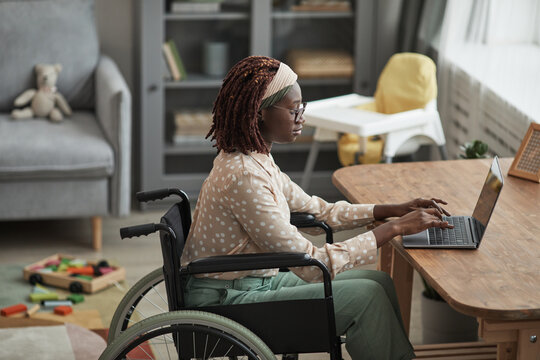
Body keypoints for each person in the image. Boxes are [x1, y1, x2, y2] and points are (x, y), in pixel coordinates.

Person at [180, 55, 454, 360]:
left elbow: (319, 211)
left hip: (251, 284)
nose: (302, 117)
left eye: (303, 108)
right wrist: (394, 229)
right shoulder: (245, 176)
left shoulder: (256, 159)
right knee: (366, 297)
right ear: (260, 113)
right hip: (228, 300)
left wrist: (391, 209)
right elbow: (311, 265)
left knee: (379, 281)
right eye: (295, 109)